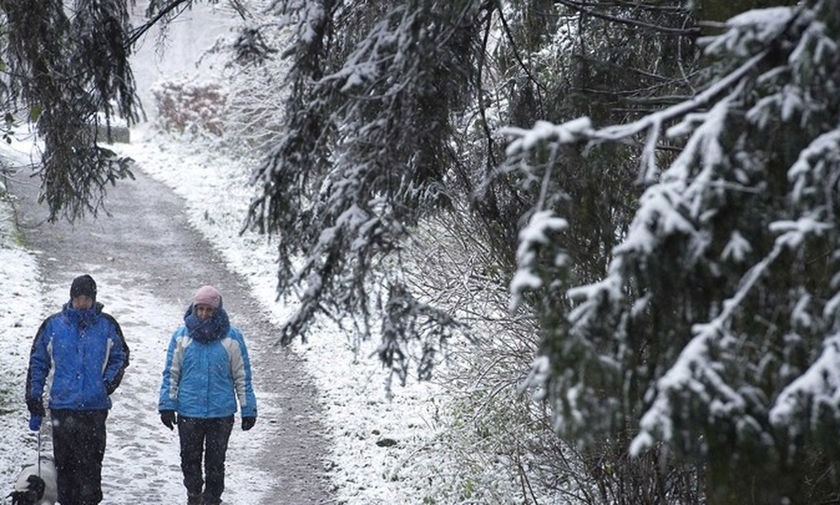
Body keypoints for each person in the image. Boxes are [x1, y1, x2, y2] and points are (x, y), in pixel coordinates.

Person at [25, 274, 130, 505]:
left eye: (86, 298)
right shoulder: (53, 326)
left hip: (94, 409)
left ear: (93, 299)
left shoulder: (107, 325)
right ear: (71, 298)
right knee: (65, 465)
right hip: (62, 407)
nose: (82, 303)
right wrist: (34, 397)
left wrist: (106, 384)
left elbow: (120, 356)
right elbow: (38, 362)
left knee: (91, 466)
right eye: (77, 298)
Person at [159, 285, 258, 505]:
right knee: (189, 459)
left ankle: (213, 498)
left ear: (217, 310)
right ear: (194, 309)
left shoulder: (232, 339)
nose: (203, 314)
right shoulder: (181, 337)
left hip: (220, 413)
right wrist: (167, 404)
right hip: (189, 410)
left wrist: (248, 407)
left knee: (215, 461)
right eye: (200, 309)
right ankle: (194, 496)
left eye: (208, 310)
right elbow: (172, 373)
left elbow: (242, 375)